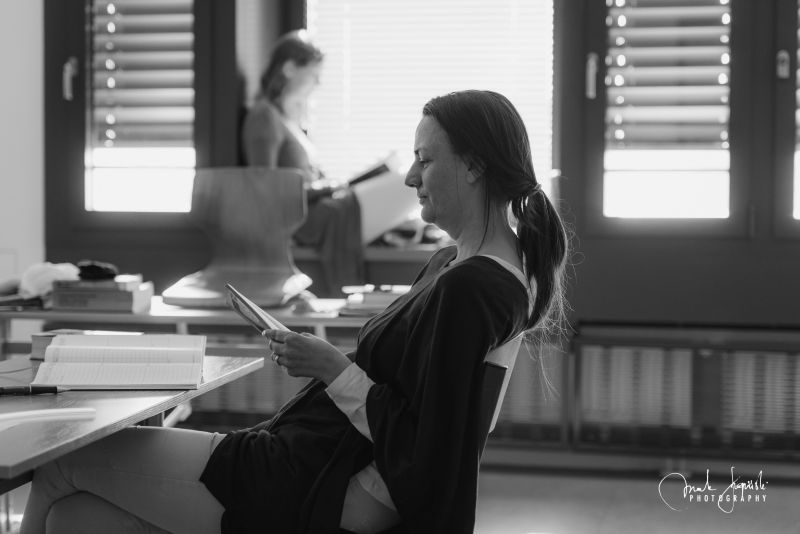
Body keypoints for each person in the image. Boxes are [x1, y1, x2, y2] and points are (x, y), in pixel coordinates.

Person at [20, 89, 570, 534]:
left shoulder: (474, 287)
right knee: (76, 519)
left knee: (61, 461)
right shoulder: (457, 266)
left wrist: (333, 368)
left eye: (425, 160)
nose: (409, 177)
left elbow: (427, 447)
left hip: (319, 485)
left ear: (473, 166)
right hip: (310, 457)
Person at [242, 30, 419, 294]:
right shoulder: (264, 117)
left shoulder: (289, 119)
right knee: (413, 179)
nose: (318, 83)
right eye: (314, 74)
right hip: (309, 219)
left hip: (324, 206)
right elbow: (266, 190)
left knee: (405, 183)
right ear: (289, 68)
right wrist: (326, 188)